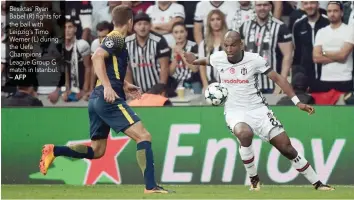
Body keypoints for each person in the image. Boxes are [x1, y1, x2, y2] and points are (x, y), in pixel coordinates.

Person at [39, 5, 174, 194]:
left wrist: (124, 84)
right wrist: (109, 87)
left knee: (97, 151)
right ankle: (150, 186)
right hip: (106, 98)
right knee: (144, 136)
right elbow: (97, 57)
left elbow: (109, 66)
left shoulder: (116, 40)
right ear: (130, 22)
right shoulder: (116, 37)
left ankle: (55, 150)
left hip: (96, 99)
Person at [183, 30, 334, 191]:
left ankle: (318, 183)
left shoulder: (255, 60)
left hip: (258, 109)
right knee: (244, 133)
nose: (229, 49)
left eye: (233, 45)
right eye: (226, 45)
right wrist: (194, 60)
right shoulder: (219, 58)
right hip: (234, 111)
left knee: (286, 148)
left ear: (241, 44)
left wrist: (297, 102)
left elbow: (277, 78)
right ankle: (254, 179)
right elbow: (206, 60)